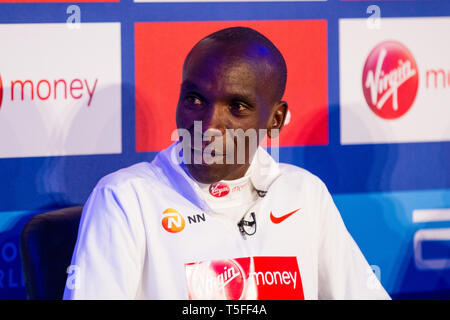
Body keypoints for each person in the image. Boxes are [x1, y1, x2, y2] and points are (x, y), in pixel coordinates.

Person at [63, 27, 390, 300]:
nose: (208, 125)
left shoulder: (304, 194)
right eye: (195, 100)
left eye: (237, 106)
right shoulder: (125, 199)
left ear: (275, 119)